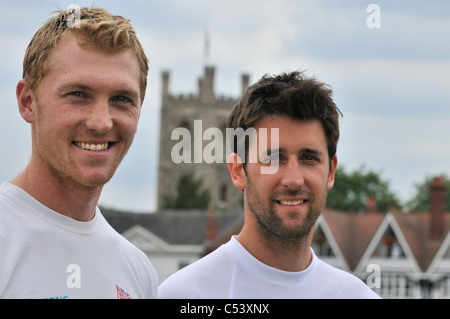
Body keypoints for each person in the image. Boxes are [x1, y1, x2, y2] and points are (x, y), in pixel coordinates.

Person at [158, 71, 380, 298]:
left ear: (331, 172)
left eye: (309, 158)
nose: (293, 180)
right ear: (238, 171)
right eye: (273, 158)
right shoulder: (185, 295)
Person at [0, 6, 158, 299]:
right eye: (78, 94)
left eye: (122, 99)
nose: (101, 122)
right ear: (27, 102)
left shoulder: (138, 271)